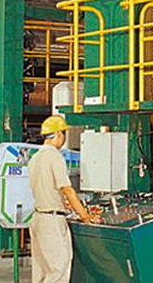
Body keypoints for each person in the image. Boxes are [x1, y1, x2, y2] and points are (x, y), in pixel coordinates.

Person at [29, 116, 100, 283]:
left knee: (41, 272)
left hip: (38, 218)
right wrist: (85, 216)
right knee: (58, 270)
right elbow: (67, 189)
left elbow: (47, 188)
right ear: (59, 134)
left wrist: (63, 203)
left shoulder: (35, 158)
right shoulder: (54, 156)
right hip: (52, 222)